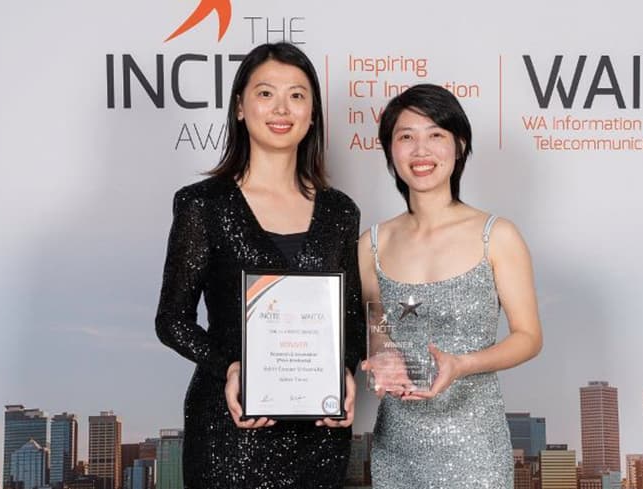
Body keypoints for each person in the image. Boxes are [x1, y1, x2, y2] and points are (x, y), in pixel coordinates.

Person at [155, 42, 364, 489]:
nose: (281, 108)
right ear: (239, 108)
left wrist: (346, 374)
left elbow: (351, 321)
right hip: (231, 425)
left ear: (313, 114)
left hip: (319, 435)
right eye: (266, 93)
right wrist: (229, 367)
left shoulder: (340, 212)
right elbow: (172, 320)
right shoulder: (202, 205)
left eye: (297, 94)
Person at [359, 84, 543, 488]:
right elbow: (376, 324)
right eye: (406, 136)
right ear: (391, 150)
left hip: (475, 447)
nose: (420, 150)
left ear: (459, 145)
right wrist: (383, 353)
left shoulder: (496, 235)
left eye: (435, 135)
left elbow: (528, 337)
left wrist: (463, 365)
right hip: (397, 449)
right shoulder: (371, 244)